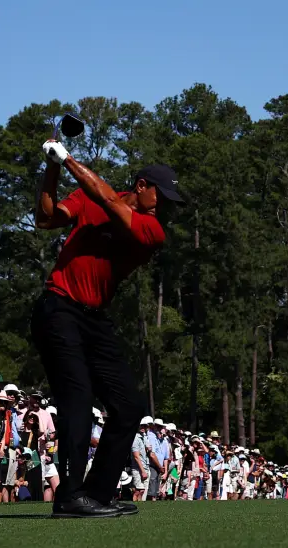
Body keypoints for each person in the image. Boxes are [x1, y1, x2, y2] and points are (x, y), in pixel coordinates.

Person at [32, 138, 184, 518]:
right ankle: (70, 497)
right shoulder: (89, 199)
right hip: (58, 308)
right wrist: (52, 167)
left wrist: (66, 158)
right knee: (78, 399)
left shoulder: (152, 230)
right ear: (142, 185)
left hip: (94, 320)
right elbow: (46, 218)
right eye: (161, 196)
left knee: (129, 406)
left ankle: (98, 493)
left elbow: (108, 200)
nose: (164, 206)